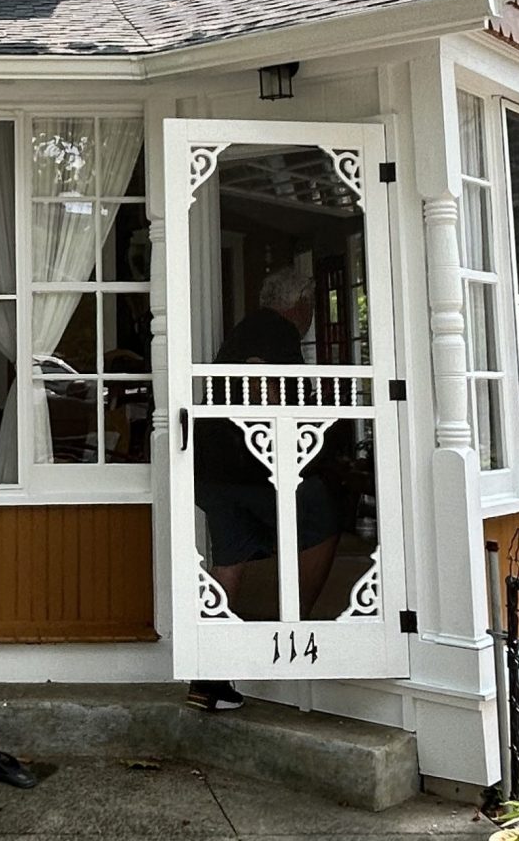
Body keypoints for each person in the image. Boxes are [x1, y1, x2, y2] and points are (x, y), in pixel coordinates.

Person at [185, 267, 342, 712]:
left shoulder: (246, 329)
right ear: (301, 304)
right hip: (254, 466)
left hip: (215, 469)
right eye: (311, 306)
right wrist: (279, 438)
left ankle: (208, 677)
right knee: (321, 517)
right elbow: (257, 378)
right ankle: (293, 628)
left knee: (229, 558)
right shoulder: (275, 329)